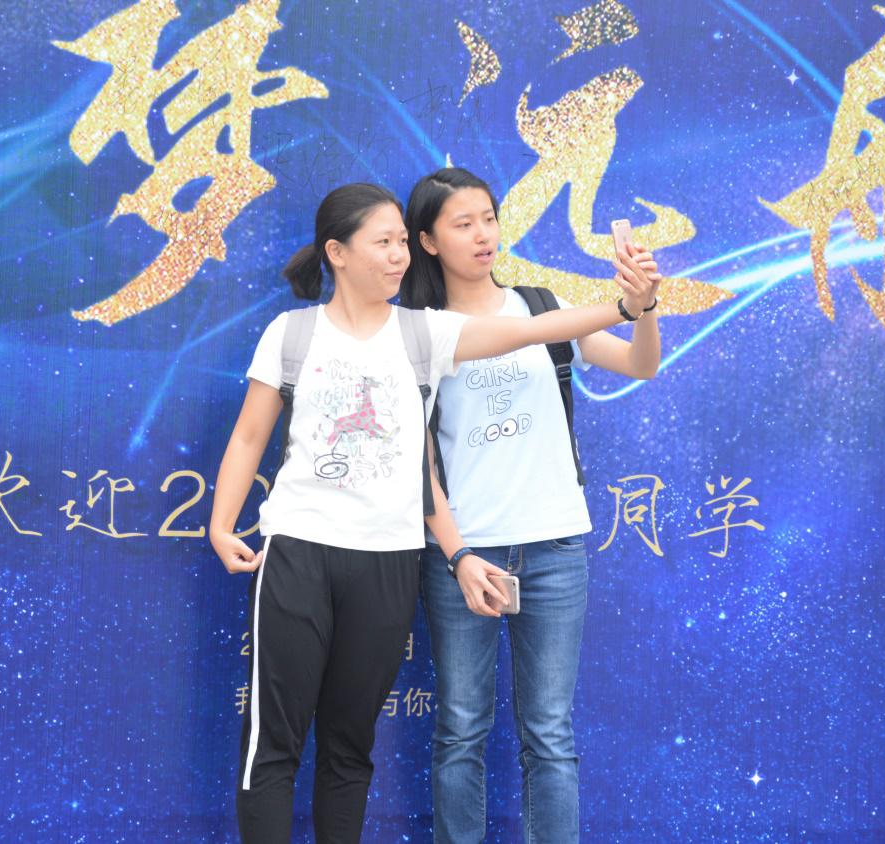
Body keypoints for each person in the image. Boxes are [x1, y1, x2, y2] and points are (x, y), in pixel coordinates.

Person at [207, 181, 655, 843]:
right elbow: (252, 435)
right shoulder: (296, 332)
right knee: (283, 742)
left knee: (355, 746)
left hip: (402, 557)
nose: (398, 256)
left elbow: (532, 330)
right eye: (383, 243)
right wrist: (221, 523)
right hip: (312, 548)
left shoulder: (424, 333)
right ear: (338, 252)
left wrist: (627, 307)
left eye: (400, 242)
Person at [401, 167, 662, 844]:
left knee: (549, 732)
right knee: (461, 726)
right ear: (427, 240)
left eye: (488, 218)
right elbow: (418, 463)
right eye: (462, 224)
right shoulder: (415, 332)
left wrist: (646, 306)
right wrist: (458, 552)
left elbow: (640, 365)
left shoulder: (542, 306)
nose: (482, 234)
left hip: (553, 545)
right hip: (465, 554)